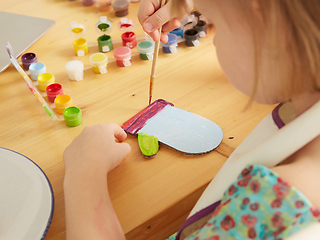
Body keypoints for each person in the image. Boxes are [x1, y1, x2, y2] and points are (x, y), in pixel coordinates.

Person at [63, 0, 320, 239]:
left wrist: (84, 172)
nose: (215, 41)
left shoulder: (261, 211)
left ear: (272, 34)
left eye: (217, 26)